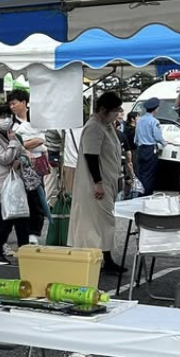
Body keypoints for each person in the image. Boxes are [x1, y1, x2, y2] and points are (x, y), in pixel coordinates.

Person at [68, 91, 125, 273]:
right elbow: (91, 156)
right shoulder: (94, 127)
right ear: (103, 109)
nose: (117, 114)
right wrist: (98, 182)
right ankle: (100, 258)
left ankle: (104, 257)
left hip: (107, 180)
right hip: (97, 183)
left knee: (103, 221)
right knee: (97, 221)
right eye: (115, 110)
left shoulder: (106, 126)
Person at [0, 103, 31, 264]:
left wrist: (19, 158)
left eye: (8, 116)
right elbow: (5, 158)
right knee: (0, 222)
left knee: (20, 220)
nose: (7, 120)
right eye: (2, 117)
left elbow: (23, 154)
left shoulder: (12, 135)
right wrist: (12, 145)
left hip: (15, 186)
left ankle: (25, 251)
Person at [8, 88, 50, 237]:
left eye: (14, 103)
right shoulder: (12, 124)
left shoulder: (35, 119)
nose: (12, 106)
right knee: (22, 197)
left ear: (24, 102)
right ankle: (24, 231)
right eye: (10, 104)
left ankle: (35, 231)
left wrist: (27, 143)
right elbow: (17, 144)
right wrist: (32, 142)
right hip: (20, 165)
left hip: (37, 163)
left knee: (37, 197)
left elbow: (42, 139)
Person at [134, 97, 166, 196]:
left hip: (140, 149)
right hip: (150, 149)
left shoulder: (139, 121)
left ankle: (140, 194)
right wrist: (165, 143)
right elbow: (157, 136)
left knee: (141, 173)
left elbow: (135, 138)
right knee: (149, 174)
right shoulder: (154, 121)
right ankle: (147, 195)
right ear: (156, 109)